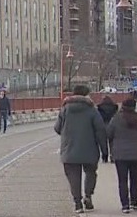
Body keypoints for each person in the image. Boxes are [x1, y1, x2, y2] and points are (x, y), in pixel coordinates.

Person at [55, 85, 108, 214]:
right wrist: (105, 151)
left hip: (69, 149)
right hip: (90, 149)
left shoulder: (65, 109)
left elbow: (57, 128)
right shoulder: (92, 110)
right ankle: (88, 195)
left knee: (73, 176)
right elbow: (100, 131)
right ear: (86, 95)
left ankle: (77, 203)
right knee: (90, 172)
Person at [107, 98, 137, 213]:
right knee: (134, 179)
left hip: (120, 154)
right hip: (136, 154)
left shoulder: (116, 118)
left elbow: (109, 134)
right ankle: (134, 203)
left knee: (122, 180)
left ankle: (125, 205)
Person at [96, 96, 119, 162]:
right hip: (112, 125)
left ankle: (105, 156)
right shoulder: (115, 108)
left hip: (102, 125)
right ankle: (112, 156)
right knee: (112, 142)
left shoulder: (99, 108)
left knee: (103, 142)